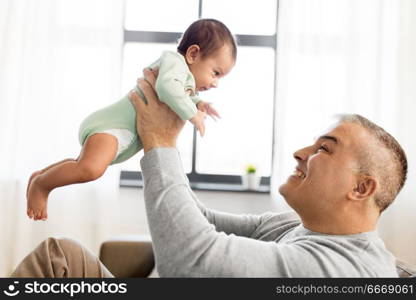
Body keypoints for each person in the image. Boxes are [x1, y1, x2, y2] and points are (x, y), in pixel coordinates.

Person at [11, 73, 407, 277]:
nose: (301, 153)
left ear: (361, 188)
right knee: (59, 257)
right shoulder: (301, 225)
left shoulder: (337, 271)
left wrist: (159, 144)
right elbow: (204, 223)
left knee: (57, 259)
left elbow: (189, 261)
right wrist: (157, 141)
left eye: (323, 149)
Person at [26, 19, 237, 221]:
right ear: (193, 54)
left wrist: (200, 103)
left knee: (83, 165)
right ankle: (43, 184)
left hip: (118, 134)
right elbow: (167, 89)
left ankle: (42, 175)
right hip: (110, 127)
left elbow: (181, 93)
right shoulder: (174, 63)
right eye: (215, 73)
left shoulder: (182, 78)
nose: (216, 83)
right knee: (90, 169)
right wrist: (192, 114)